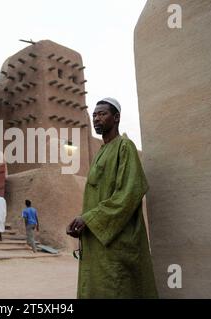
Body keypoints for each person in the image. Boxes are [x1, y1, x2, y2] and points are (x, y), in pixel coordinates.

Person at [66, 97, 158, 299]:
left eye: (102, 114)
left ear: (116, 117)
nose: (96, 119)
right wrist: (83, 222)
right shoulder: (102, 151)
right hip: (97, 239)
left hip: (117, 241)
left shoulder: (124, 146)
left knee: (117, 288)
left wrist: (89, 219)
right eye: (94, 115)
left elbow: (129, 192)